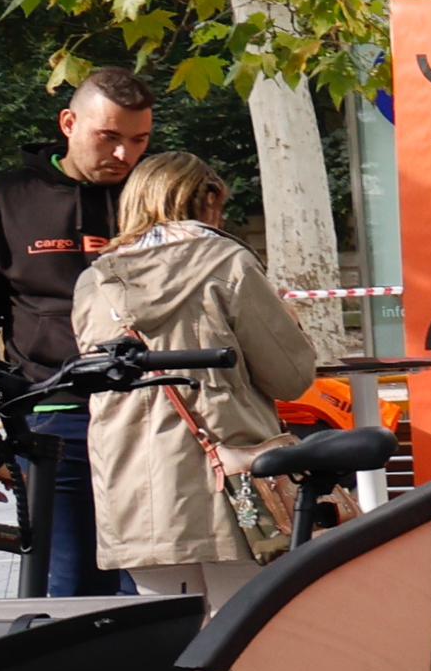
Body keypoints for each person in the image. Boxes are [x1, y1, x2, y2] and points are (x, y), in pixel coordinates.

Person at [71, 150, 315, 607]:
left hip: (132, 489)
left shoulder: (95, 281)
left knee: (168, 632)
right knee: (244, 629)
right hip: (231, 483)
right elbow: (291, 377)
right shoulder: (228, 263)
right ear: (208, 199)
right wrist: (290, 321)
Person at [0, 67, 157, 597]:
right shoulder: (3, 198)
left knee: (156, 584)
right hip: (53, 416)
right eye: (109, 136)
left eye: (140, 140)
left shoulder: (156, 193)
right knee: (75, 586)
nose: (124, 155)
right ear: (68, 123)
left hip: (155, 416)